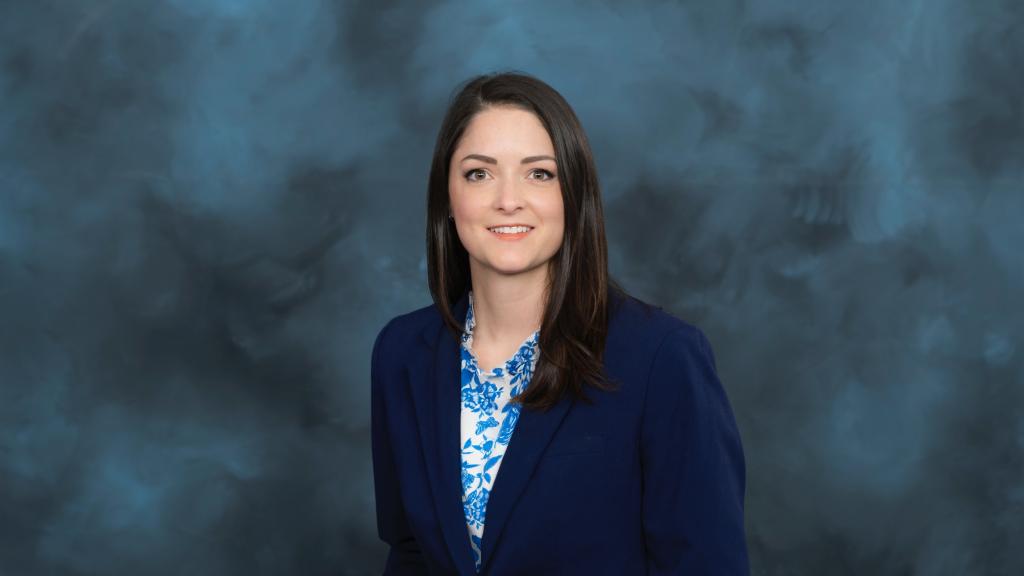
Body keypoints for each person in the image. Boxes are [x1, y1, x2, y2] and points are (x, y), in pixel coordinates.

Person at [370, 70, 749, 575]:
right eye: (479, 173)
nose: (508, 199)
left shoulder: (662, 358)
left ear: (574, 196)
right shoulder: (402, 353)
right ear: (447, 200)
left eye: (539, 173)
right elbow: (410, 552)